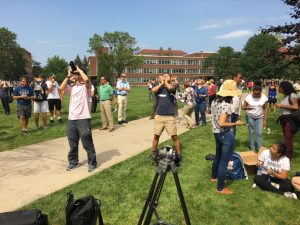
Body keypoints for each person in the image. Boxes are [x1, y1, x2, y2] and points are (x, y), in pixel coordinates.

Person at [59, 66, 97, 172]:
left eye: (78, 74)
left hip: (83, 117)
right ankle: (73, 162)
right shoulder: (72, 88)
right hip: (72, 118)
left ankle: (92, 162)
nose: (76, 75)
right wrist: (68, 75)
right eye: (75, 74)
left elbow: (86, 80)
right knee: (72, 141)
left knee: (86, 140)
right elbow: (61, 88)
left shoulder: (87, 86)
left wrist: (79, 70)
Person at [211, 79, 244, 194]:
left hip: (216, 133)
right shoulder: (227, 105)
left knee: (218, 156)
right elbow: (222, 123)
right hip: (225, 134)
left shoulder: (215, 101)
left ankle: (214, 177)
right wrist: (236, 124)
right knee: (224, 162)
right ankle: (220, 188)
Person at [151, 74, 181, 163]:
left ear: (170, 78)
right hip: (159, 116)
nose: (165, 77)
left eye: (167, 76)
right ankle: (153, 153)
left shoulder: (173, 86)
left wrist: (166, 81)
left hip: (169, 117)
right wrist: (162, 83)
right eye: (163, 75)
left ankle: (178, 154)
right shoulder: (158, 87)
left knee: (174, 136)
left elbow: (170, 88)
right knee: (156, 135)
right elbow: (153, 90)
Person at [275, 81, 299, 160]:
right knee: (287, 137)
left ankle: (287, 157)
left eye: (280, 87)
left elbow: (295, 107)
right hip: (284, 119)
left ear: (284, 88)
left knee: (287, 138)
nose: (279, 89)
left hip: (290, 119)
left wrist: (281, 105)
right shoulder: (285, 96)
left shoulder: (293, 95)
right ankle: (287, 155)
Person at [243, 81, 268, 151]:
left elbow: (265, 108)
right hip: (250, 116)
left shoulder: (264, 97)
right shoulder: (248, 97)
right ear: (252, 91)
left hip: (260, 117)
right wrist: (248, 108)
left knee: (259, 133)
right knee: (251, 132)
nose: (256, 95)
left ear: (261, 92)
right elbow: (243, 107)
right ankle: (252, 149)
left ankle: (260, 149)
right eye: (255, 93)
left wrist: (265, 120)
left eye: (258, 94)